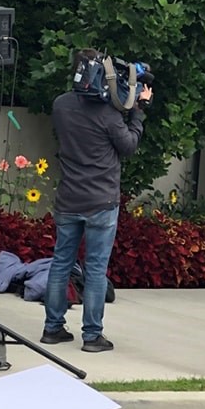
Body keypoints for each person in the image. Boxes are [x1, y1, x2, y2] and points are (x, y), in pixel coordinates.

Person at [41, 48, 153, 353]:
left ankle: (52, 329)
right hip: (101, 202)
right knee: (94, 268)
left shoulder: (61, 105)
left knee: (61, 263)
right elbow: (128, 145)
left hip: (68, 199)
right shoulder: (108, 114)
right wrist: (138, 112)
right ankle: (92, 336)